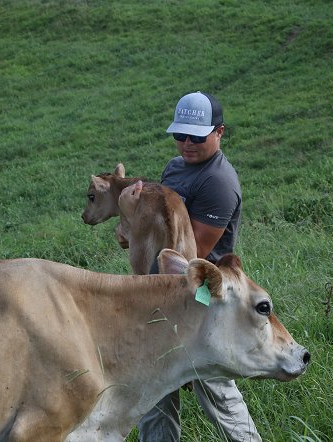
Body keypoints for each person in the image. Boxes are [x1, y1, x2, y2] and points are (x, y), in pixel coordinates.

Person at [138, 91, 262, 442]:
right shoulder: (175, 167)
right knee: (155, 388)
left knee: (217, 392)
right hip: (161, 290)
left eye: (197, 136)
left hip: (203, 296)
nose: (187, 144)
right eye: (180, 135)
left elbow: (194, 256)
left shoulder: (218, 183)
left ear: (220, 132)